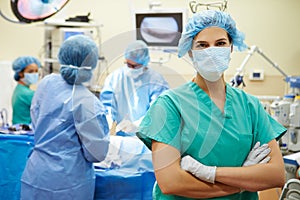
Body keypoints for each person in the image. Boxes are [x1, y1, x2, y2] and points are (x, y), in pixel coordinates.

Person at [137, 10, 286, 200]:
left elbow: (276, 175)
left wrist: (209, 172)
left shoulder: (250, 106)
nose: (212, 51)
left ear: (231, 48)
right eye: (202, 45)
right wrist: (242, 182)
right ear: (190, 51)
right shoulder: (169, 105)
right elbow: (171, 182)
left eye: (220, 44)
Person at [20, 35, 110, 200]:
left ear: (62, 56)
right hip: (68, 182)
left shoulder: (47, 84)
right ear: (91, 64)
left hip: (36, 174)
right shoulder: (88, 102)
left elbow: (36, 121)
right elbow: (97, 154)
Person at [100, 40, 169, 136]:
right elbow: (107, 105)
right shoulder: (115, 78)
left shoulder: (156, 81)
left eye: (135, 66)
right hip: (121, 135)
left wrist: (137, 125)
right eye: (128, 64)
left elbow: (157, 111)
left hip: (147, 136)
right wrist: (109, 122)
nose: (131, 69)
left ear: (145, 62)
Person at [11, 56, 41, 125]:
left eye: (36, 71)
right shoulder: (27, 93)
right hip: (25, 130)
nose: (34, 74)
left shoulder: (19, 89)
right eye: (30, 71)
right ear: (20, 73)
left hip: (19, 128)